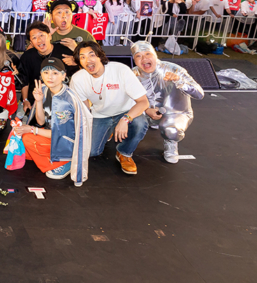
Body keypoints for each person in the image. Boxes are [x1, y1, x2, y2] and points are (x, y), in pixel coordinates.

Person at [69, 41, 150, 175]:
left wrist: (125, 119)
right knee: (92, 152)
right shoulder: (77, 79)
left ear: (100, 56)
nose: (88, 60)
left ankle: (124, 152)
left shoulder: (120, 70)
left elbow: (143, 102)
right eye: (82, 57)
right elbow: (83, 109)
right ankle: (109, 130)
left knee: (140, 123)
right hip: (100, 115)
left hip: (125, 112)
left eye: (91, 55)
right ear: (79, 62)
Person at [13, 57, 93, 186]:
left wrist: (32, 129)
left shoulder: (66, 100)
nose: (50, 77)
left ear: (63, 76)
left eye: (55, 73)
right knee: (22, 133)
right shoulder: (44, 89)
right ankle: (52, 158)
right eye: (46, 73)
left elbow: (60, 134)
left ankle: (66, 162)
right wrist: (38, 100)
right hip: (52, 135)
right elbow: (40, 121)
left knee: (29, 137)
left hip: (67, 142)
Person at [131, 41, 204, 163]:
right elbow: (125, 98)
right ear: (134, 59)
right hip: (147, 111)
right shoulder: (133, 73)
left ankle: (171, 143)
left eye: (148, 54)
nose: (144, 58)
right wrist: (146, 110)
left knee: (171, 129)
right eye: (138, 56)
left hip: (175, 113)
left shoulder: (173, 69)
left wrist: (179, 81)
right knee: (124, 117)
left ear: (155, 55)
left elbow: (199, 94)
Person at [18, 22, 76, 122]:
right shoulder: (27, 56)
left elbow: (79, 75)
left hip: (62, 100)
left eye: (42, 35)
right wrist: (25, 100)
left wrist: (76, 61)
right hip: (36, 99)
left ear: (49, 36)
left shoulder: (65, 52)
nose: (39, 40)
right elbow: (24, 80)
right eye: (34, 38)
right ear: (31, 41)